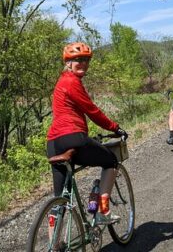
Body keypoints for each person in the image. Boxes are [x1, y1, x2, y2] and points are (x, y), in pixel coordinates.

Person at [47, 42, 125, 224]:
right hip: (73, 138)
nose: (83, 63)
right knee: (111, 161)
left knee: (60, 200)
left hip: (53, 143)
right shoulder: (71, 81)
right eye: (77, 60)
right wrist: (115, 127)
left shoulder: (61, 82)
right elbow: (92, 111)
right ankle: (103, 212)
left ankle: (54, 245)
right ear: (68, 63)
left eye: (86, 60)